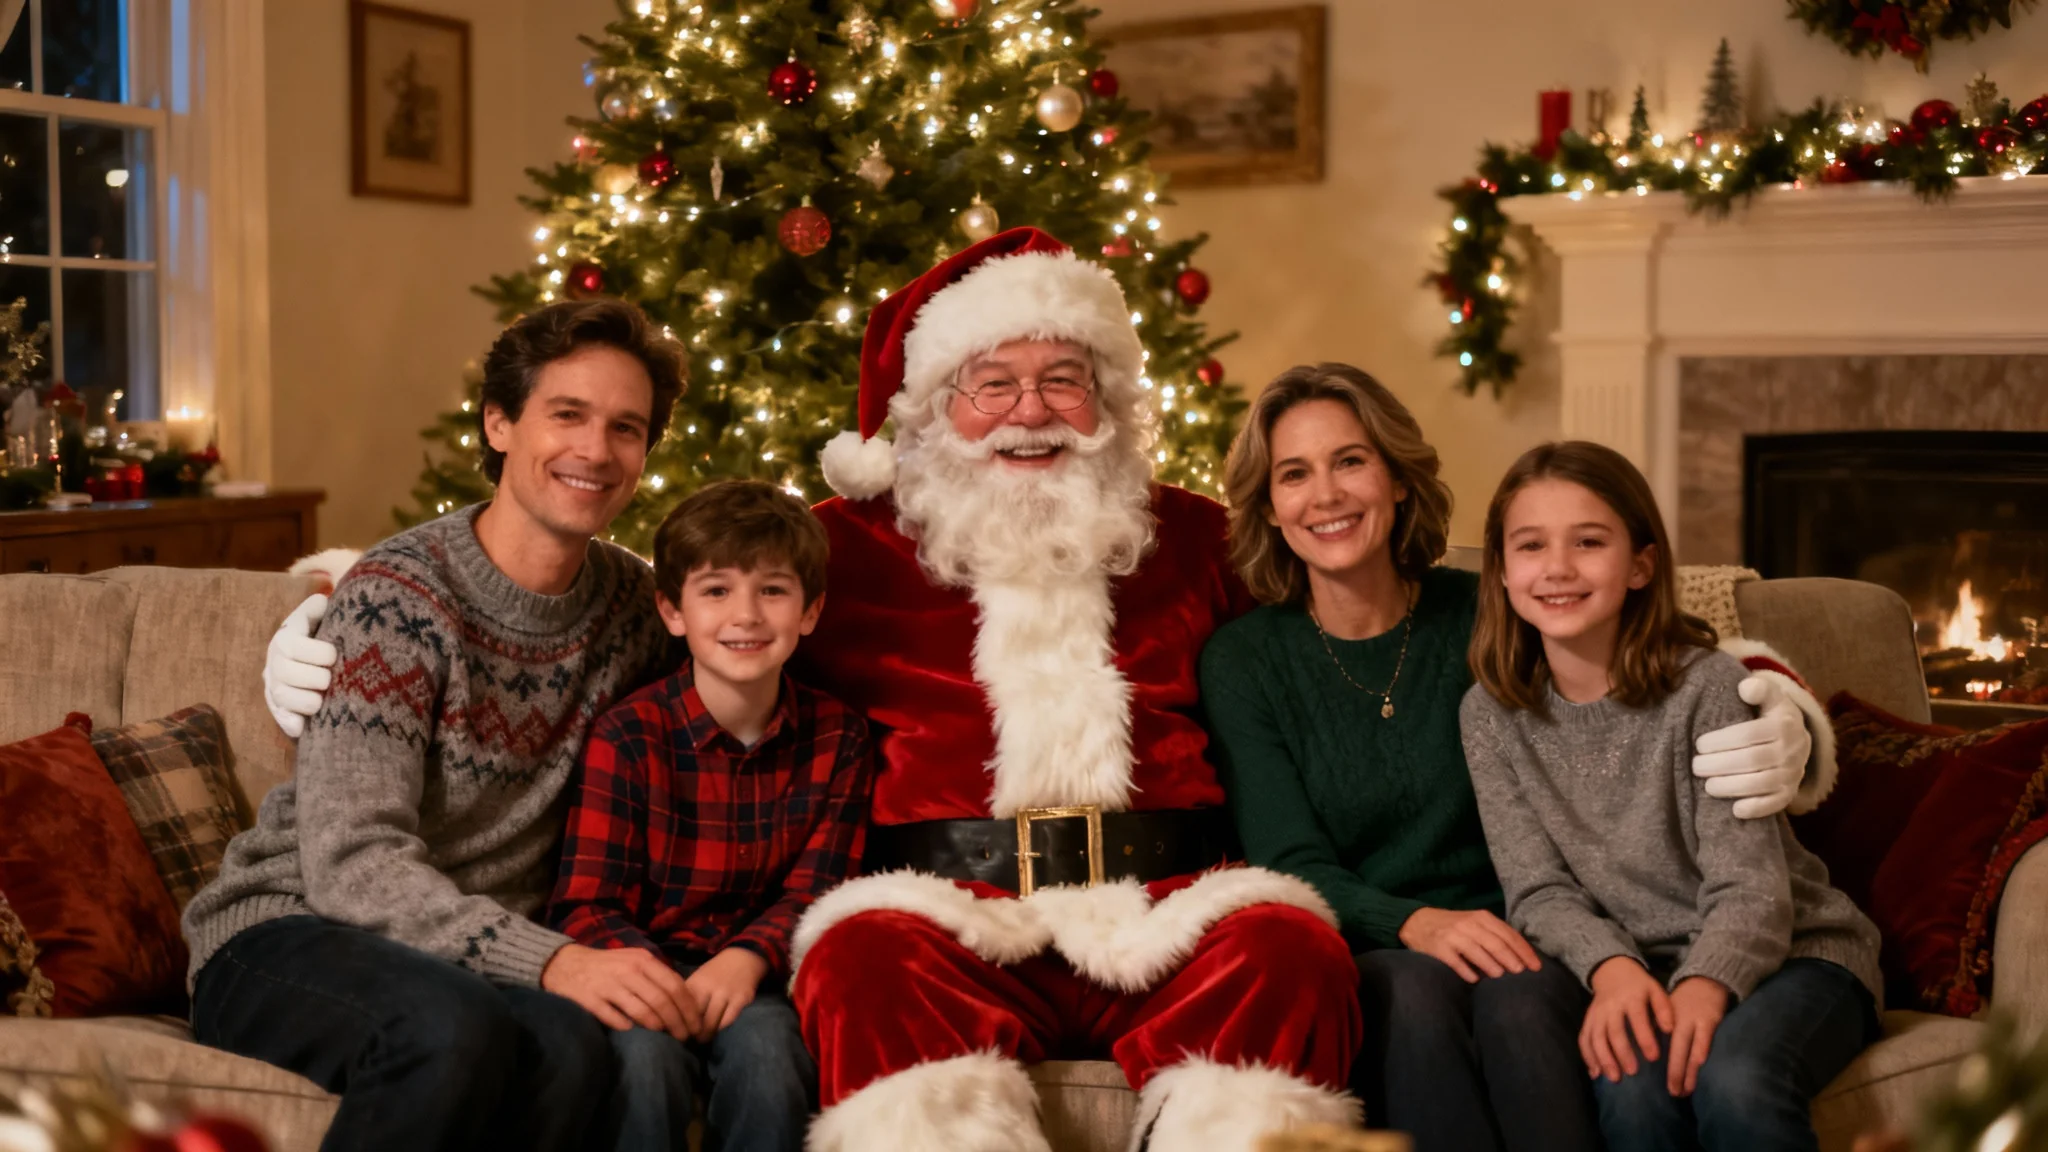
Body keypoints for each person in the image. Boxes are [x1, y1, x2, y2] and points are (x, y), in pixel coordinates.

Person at [785, 228, 1363, 1152]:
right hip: (950, 918)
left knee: (1289, 949)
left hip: (1169, 906)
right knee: (860, 958)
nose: (1031, 411)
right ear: (933, 408)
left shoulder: (1203, 541)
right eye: (992, 384)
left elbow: (1332, 657)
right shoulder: (836, 550)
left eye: (1063, 378)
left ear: (1107, 398)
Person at [1199, 366, 1839, 1152]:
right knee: (1416, 1000)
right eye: (1294, 474)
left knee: (1520, 999)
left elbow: (1644, 665)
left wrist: (1787, 713)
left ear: (1397, 478)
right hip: (1379, 938)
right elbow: (1289, 863)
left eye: (1351, 461)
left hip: (1534, 922)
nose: (1326, 494)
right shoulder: (1245, 661)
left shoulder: (1491, 607)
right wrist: (1415, 922)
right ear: (1269, 505)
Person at [184, 299, 696, 1151]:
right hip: (290, 931)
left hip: (463, 957)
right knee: (449, 1028)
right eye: (567, 415)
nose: (597, 450)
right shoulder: (398, 600)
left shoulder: (637, 611)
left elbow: (746, 682)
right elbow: (352, 864)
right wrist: (552, 960)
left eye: (626, 428)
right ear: (499, 423)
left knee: (572, 1046)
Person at [1459, 440, 1881, 1152]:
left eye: (1589, 542)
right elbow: (1537, 890)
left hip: (1801, 954)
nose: (1557, 567)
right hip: (1644, 964)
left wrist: (1704, 984)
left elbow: (1752, 887)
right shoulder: (1490, 714)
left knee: (1735, 1081)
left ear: (1641, 566)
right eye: (1530, 545)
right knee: (1632, 1093)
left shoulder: (1707, 687)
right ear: (1501, 570)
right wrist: (1613, 969)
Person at [547, 479, 876, 1152]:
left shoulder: (840, 737)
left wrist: (746, 960)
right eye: (717, 590)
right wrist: (659, 983)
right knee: (643, 1067)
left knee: (772, 1061)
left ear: (810, 611)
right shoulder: (628, 735)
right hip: (641, 970)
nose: (746, 615)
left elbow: (817, 894)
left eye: (773, 591)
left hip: (759, 975)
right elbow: (586, 902)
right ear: (673, 611)